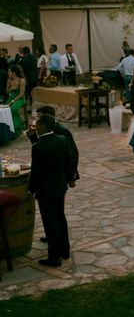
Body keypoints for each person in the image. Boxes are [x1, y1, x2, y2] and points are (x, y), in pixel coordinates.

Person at [28, 114, 75, 267]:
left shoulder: (38, 147)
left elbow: (36, 171)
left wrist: (31, 190)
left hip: (45, 189)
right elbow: (69, 162)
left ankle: (54, 258)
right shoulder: (62, 140)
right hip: (60, 186)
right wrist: (70, 178)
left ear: (42, 126)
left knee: (50, 222)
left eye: (37, 125)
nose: (35, 127)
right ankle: (65, 250)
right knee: (60, 218)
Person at [35, 106, 80, 186]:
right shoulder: (44, 129)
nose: (36, 121)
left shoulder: (62, 131)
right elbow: (41, 148)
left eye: (39, 118)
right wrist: (32, 136)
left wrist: (71, 176)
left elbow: (73, 153)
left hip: (60, 174)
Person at [5, 64, 26, 131]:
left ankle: (17, 126)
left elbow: (21, 94)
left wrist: (13, 101)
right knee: (5, 109)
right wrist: (11, 89)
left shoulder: (21, 80)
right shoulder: (9, 80)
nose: (8, 73)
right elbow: (6, 92)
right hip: (11, 98)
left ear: (14, 73)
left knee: (13, 109)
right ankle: (8, 126)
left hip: (20, 99)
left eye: (9, 72)